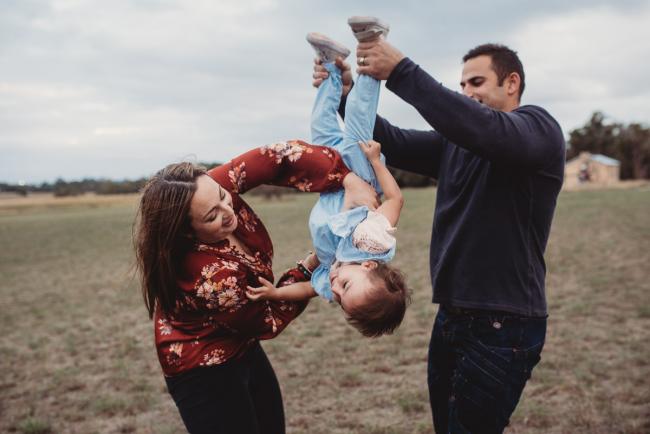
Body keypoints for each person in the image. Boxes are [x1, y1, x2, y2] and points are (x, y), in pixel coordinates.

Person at [313, 28, 566, 433]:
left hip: (504, 324)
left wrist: (400, 72)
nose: (466, 92)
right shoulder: (456, 145)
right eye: (462, 84)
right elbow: (390, 139)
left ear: (512, 82)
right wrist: (344, 94)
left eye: (477, 82)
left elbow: (479, 127)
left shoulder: (539, 130)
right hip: (452, 316)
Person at [134, 142, 376, 434]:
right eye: (212, 216)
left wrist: (347, 179)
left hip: (242, 345)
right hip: (202, 368)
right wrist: (317, 269)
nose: (228, 210)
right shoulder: (214, 278)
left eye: (224, 197)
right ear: (186, 231)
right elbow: (268, 318)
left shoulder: (206, 190)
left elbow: (280, 157)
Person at [246, 23, 410, 338]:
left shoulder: (332, 271)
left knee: (320, 126)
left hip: (331, 180)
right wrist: (376, 163)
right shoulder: (371, 244)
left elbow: (308, 289)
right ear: (368, 267)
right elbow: (395, 200)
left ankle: (333, 65)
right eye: (345, 286)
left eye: (338, 297)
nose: (334, 286)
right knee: (359, 120)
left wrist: (276, 294)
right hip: (362, 172)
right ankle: (371, 50)